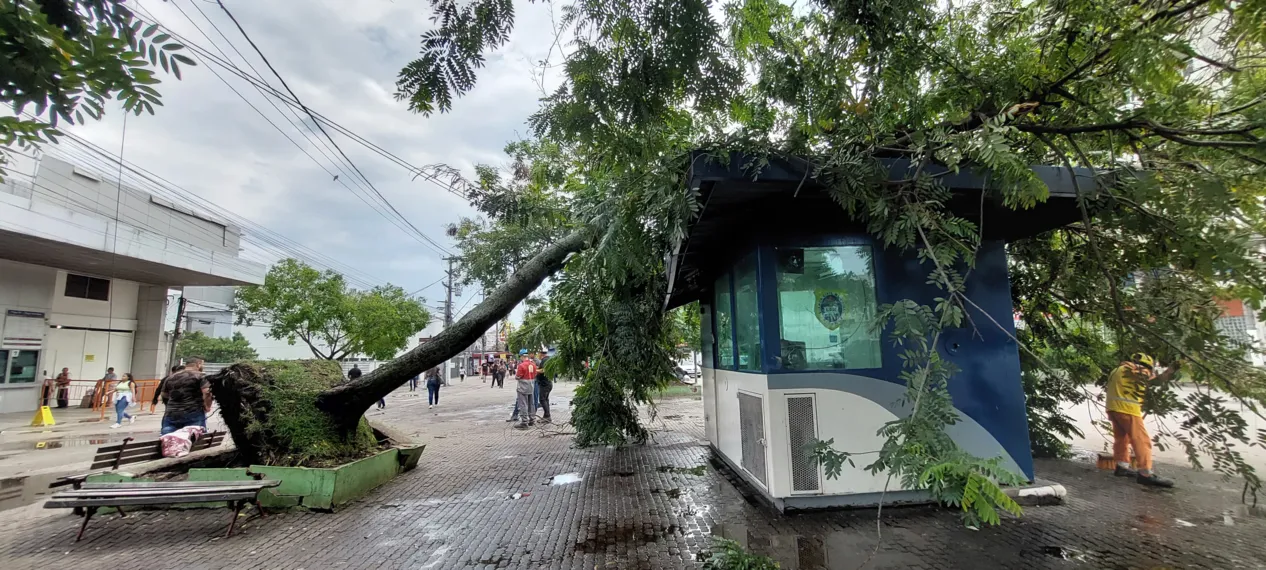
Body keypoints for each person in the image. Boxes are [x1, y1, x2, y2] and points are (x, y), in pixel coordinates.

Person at [1106, 352, 1178, 488]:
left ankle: (1122, 467)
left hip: (1113, 409)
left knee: (1122, 438)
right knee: (1141, 440)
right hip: (1128, 410)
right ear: (1146, 366)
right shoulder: (1137, 370)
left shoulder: (1118, 369)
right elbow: (1157, 381)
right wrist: (1172, 369)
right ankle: (1145, 473)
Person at [159, 357, 211, 436]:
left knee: (168, 439)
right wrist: (207, 406)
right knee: (194, 439)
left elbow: (163, 394)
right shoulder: (201, 376)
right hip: (193, 412)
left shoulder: (171, 377)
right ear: (198, 364)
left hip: (171, 413)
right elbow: (207, 392)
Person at [510, 349, 538, 428]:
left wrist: (517, 377)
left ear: (522, 356)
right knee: (531, 404)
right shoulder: (533, 364)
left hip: (523, 387)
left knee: (523, 404)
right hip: (531, 386)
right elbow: (535, 374)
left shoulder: (521, 365)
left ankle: (524, 422)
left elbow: (518, 376)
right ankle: (532, 420)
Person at [536, 351, 553, 423]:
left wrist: (535, 370)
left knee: (542, 400)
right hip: (548, 383)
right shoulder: (548, 359)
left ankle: (547, 416)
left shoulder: (545, 360)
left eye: (538, 354)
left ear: (541, 354)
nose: (538, 355)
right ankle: (546, 416)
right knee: (546, 400)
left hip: (545, 384)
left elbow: (544, 370)